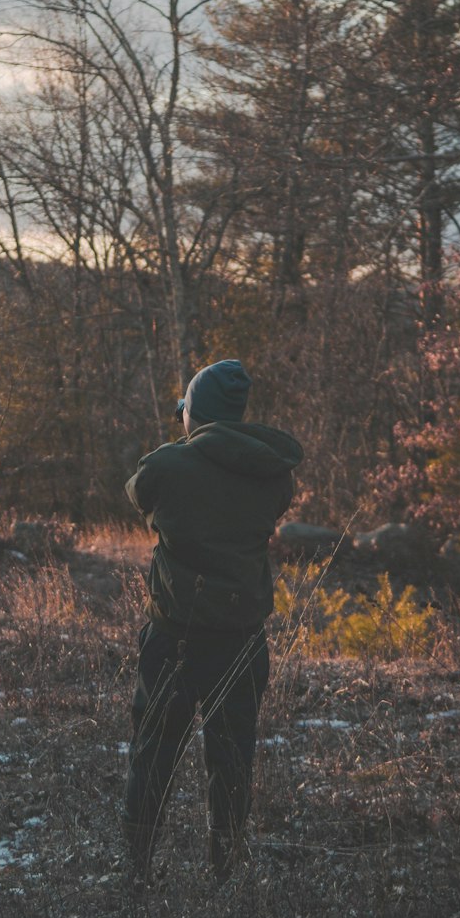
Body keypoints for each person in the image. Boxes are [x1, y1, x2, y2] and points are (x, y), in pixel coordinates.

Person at [122, 358, 303, 886]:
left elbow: (138, 491)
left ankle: (136, 867)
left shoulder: (171, 466)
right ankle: (226, 866)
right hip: (244, 638)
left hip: (175, 636)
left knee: (154, 750)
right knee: (231, 755)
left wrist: (184, 438)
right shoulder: (273, 470)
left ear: (193, 412)